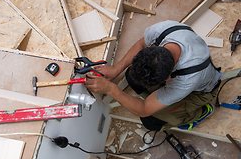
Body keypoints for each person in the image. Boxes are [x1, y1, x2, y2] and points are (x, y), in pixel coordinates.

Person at [85, 20, 222, 132]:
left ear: (167, 79)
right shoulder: (161, 31)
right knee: (131, 77)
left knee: (152, 121)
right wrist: (116, 69)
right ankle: (158, 100)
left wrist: (111, 89)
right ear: (152, 48)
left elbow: (143, 109)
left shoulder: (186, 80)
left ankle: (201, 112)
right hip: (185, 65)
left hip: (200, 91)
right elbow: (141, 43)